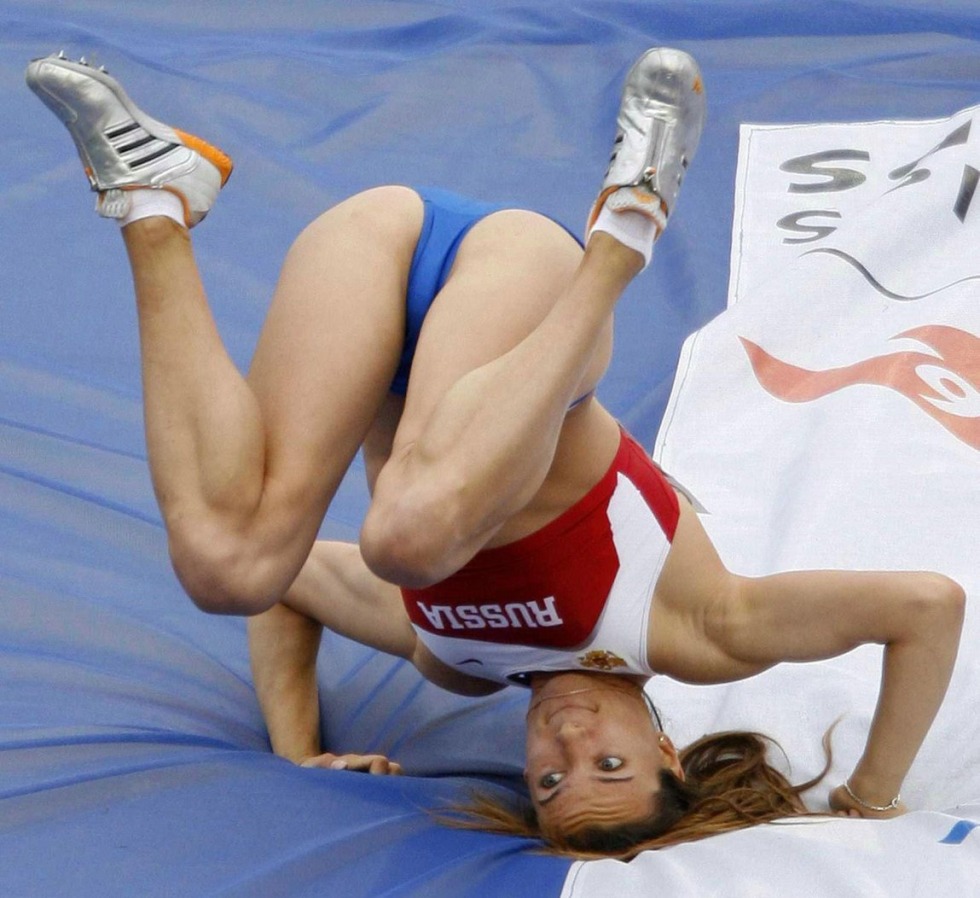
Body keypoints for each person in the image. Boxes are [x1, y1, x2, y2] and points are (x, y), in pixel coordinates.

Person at [26, 48, 965, 858]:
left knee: (229, 567)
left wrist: (296, 749)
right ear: (668, 751)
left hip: (372, 258)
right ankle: (625, 234)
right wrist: (868, 799)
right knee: (407, 537)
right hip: (518, 273)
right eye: (608, 764)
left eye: (552, 784)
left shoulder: (449, 654)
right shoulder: (697, 630)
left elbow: (295, 580)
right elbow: (928, 608)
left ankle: (156, 199)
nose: (566, 746)